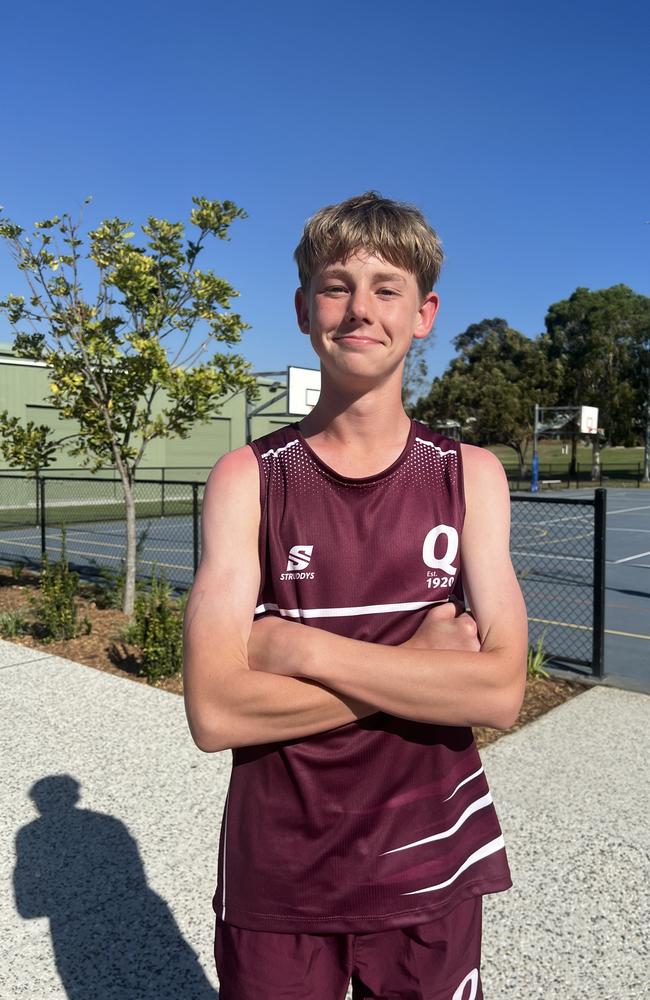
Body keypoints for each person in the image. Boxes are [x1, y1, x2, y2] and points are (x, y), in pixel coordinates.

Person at [183, 191, 528, 1000]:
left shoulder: (470, 475)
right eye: (336, 286)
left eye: (386, 288)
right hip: (280, 876)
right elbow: (216, 712)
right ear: (305, 309)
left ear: (424, 313)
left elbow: (501, 691)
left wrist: (300, 649)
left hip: (432, 863)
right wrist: (416, 670)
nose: (358, 309)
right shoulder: (248, 479)